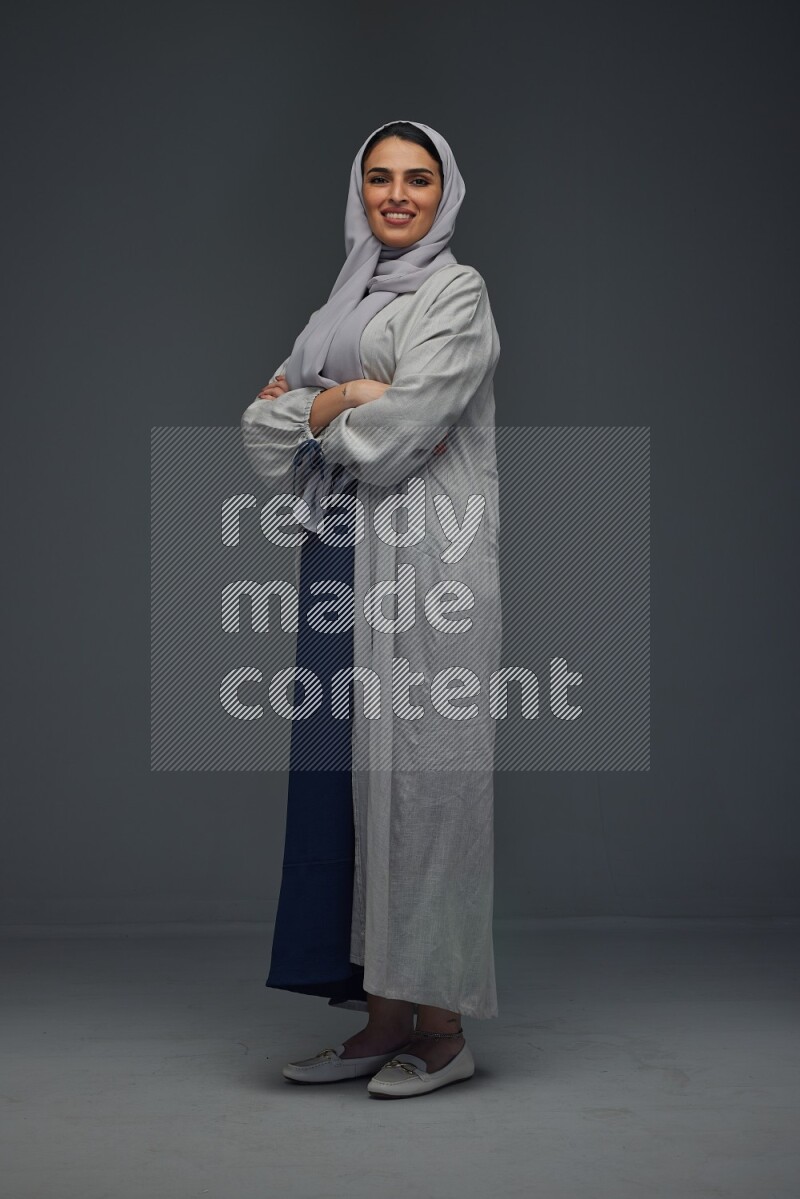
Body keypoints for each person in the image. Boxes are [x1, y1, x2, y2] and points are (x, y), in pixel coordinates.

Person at [241, 119, 502, 1098]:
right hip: (336, 561)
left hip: (428, 570)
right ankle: (377, 1019)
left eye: (419, 180)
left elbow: (399, 438)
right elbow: (260, 430)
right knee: (343, 786)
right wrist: (347, 394)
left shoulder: (457, 294)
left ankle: (440, 1031)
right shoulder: (335, 309)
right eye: (381, 179)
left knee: (426, 791)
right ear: (360, 193)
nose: (398, 195)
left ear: (445, 194)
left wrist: (323, 407)